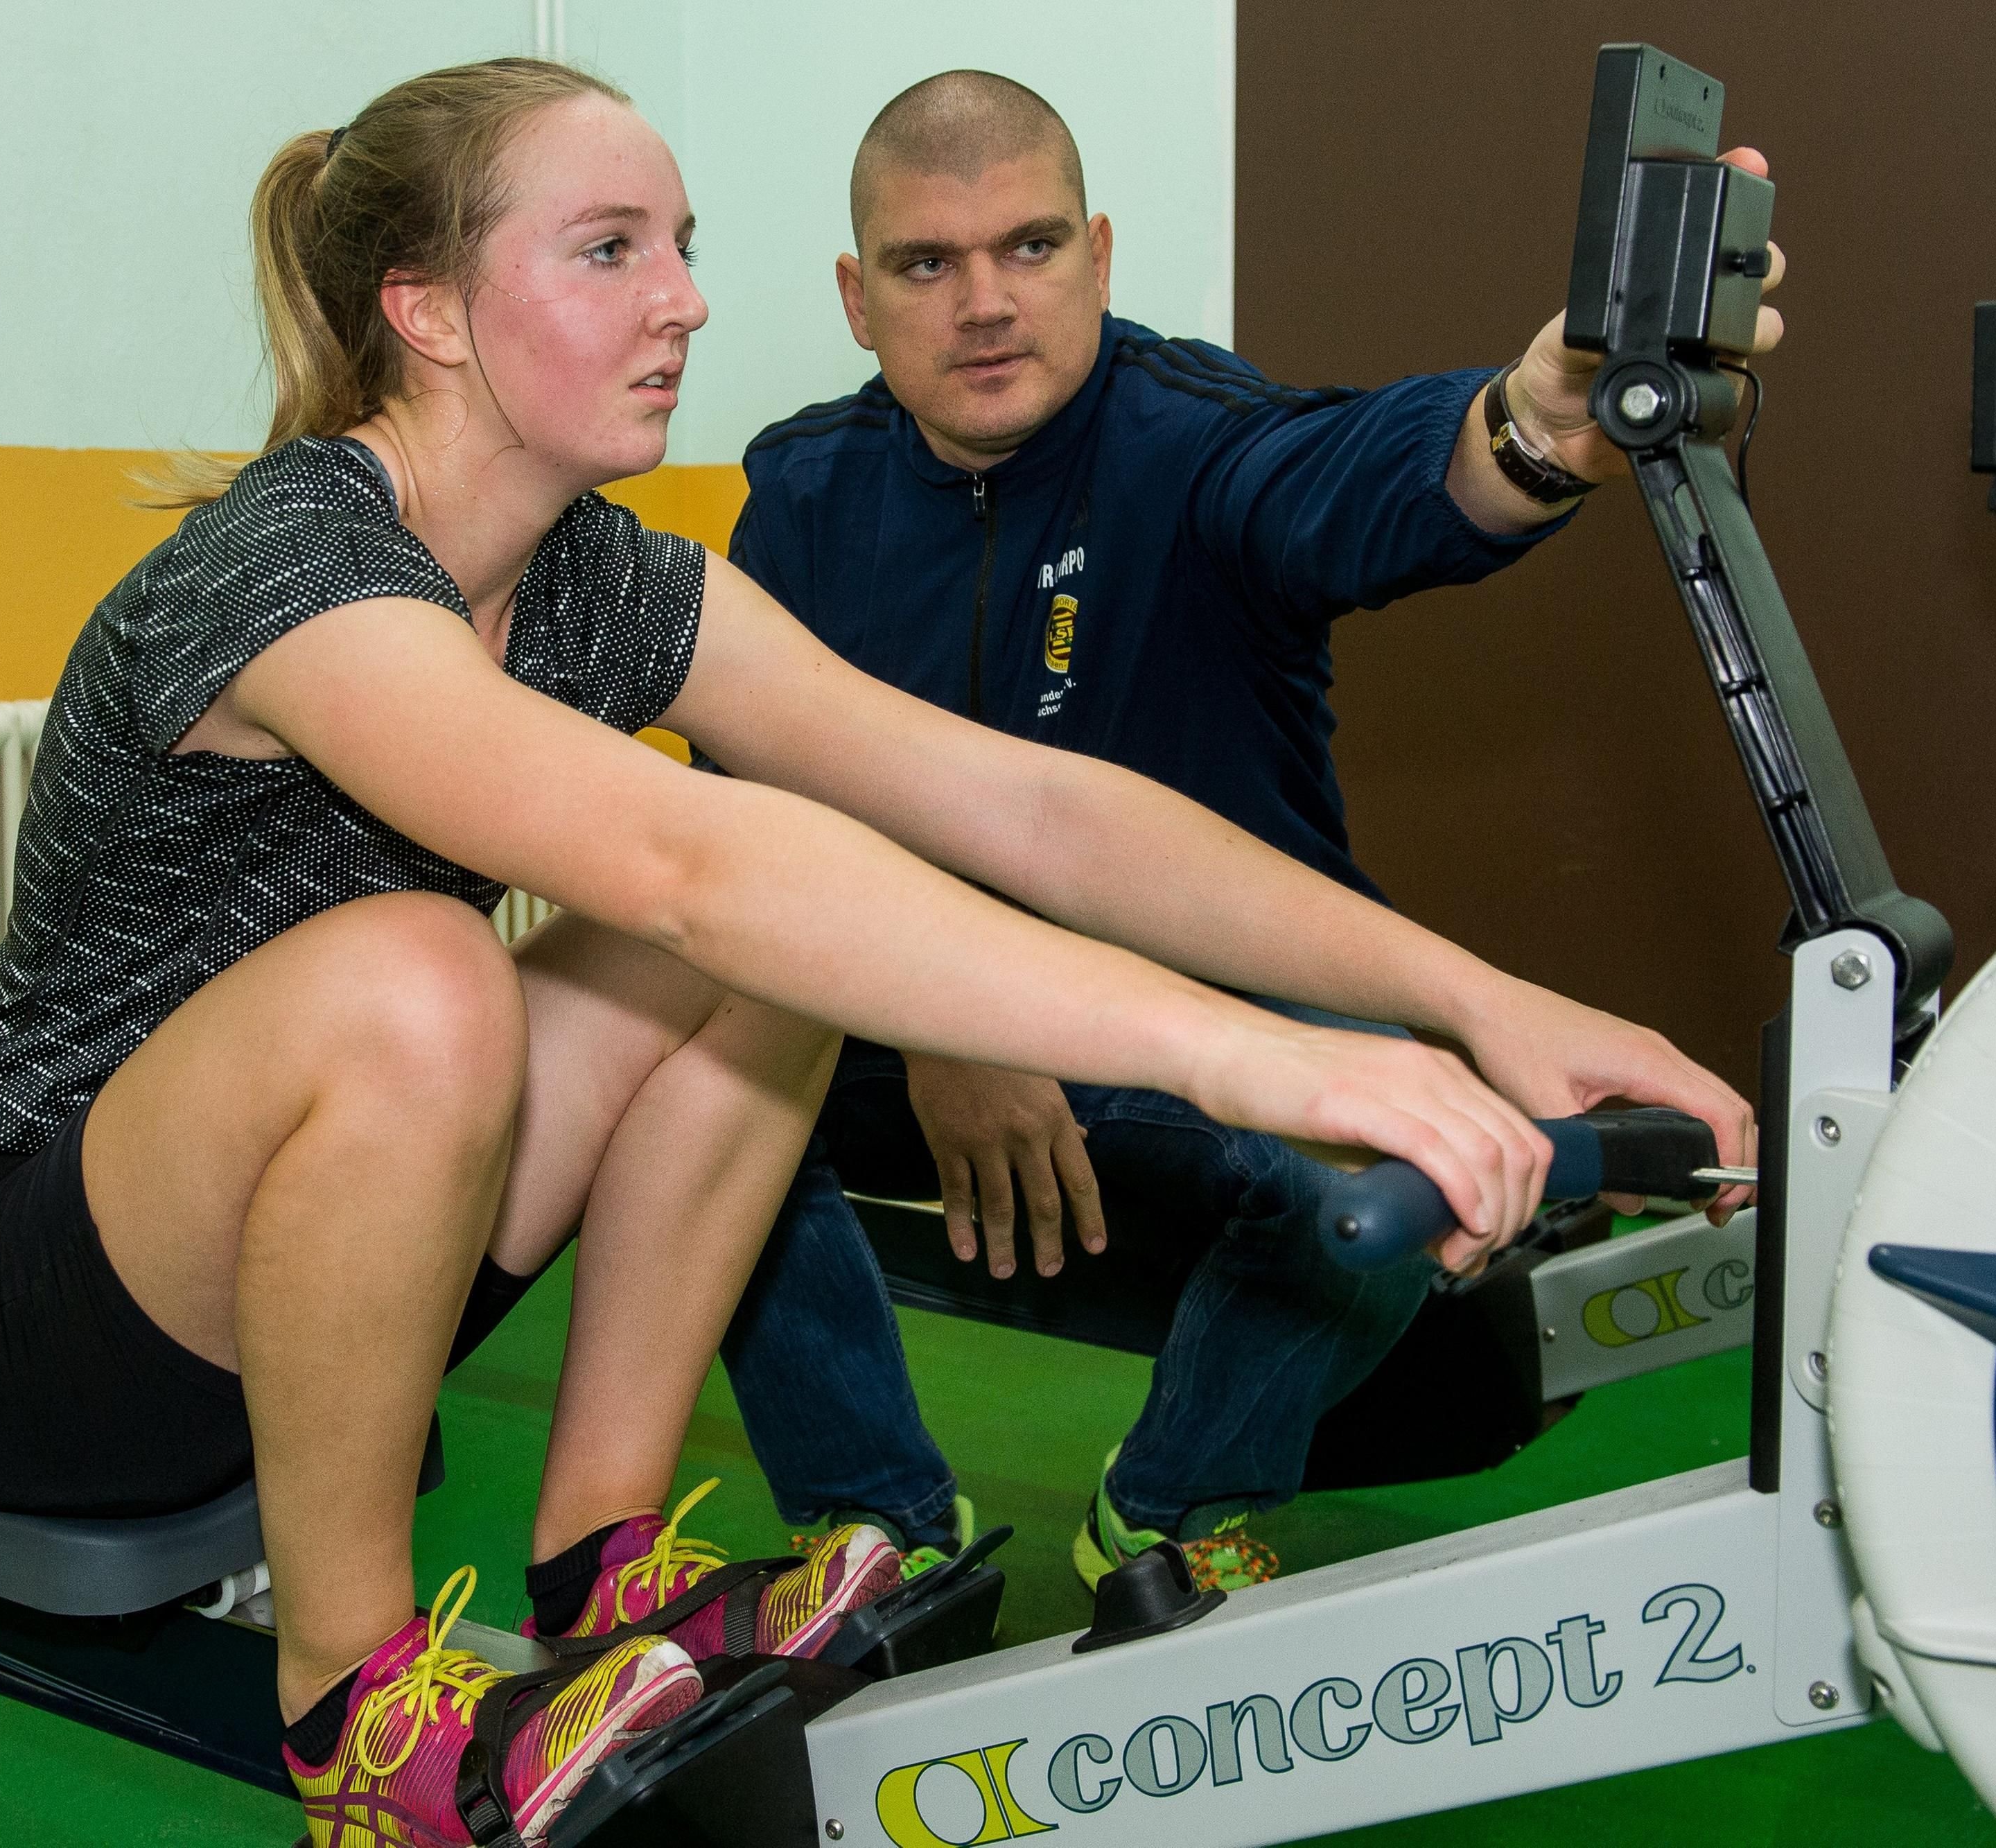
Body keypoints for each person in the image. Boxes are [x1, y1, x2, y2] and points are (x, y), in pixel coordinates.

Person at [0, 55, 1740, 1848]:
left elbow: (1035, 808)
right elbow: (683, 855)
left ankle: (604, 1560)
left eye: (680, 243)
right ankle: (360, 1709)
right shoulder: (294, 571)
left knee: (769, 924)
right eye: (610, 251)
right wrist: (1260, 1061)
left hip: (335, 1268)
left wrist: (1484, 1003)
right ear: (426, 312)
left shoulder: (611, 579)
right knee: (428, 973)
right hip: (32, 1321)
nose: (680, 299)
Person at [719, 71, 1769, 1594]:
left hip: (1212, 1023)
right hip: (894, 1019)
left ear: (1097, 252)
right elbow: (753, 836)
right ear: (853, 294)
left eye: (1027, 249)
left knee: (1390, 1132)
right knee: (678, 1082)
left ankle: (1166, 1509)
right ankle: (876, 1529)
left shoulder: (1195, 440)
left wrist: (1531, 430)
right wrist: (943, 1015)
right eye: (924, 264)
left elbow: (1366, 481)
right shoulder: (801, 492)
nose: (984, 303)